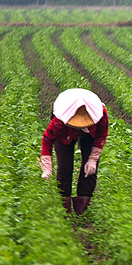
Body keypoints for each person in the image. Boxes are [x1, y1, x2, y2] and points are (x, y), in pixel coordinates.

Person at [39, 87, 108, 215]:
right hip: (65, 134)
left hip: (90, 135)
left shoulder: (100, 115)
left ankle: (82, 209)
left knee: (90, 171)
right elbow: (47, 140)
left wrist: (93, 159)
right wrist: (47, 169)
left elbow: (101, 135)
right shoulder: (59, 121)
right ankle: (64, 207)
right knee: (64, 167)